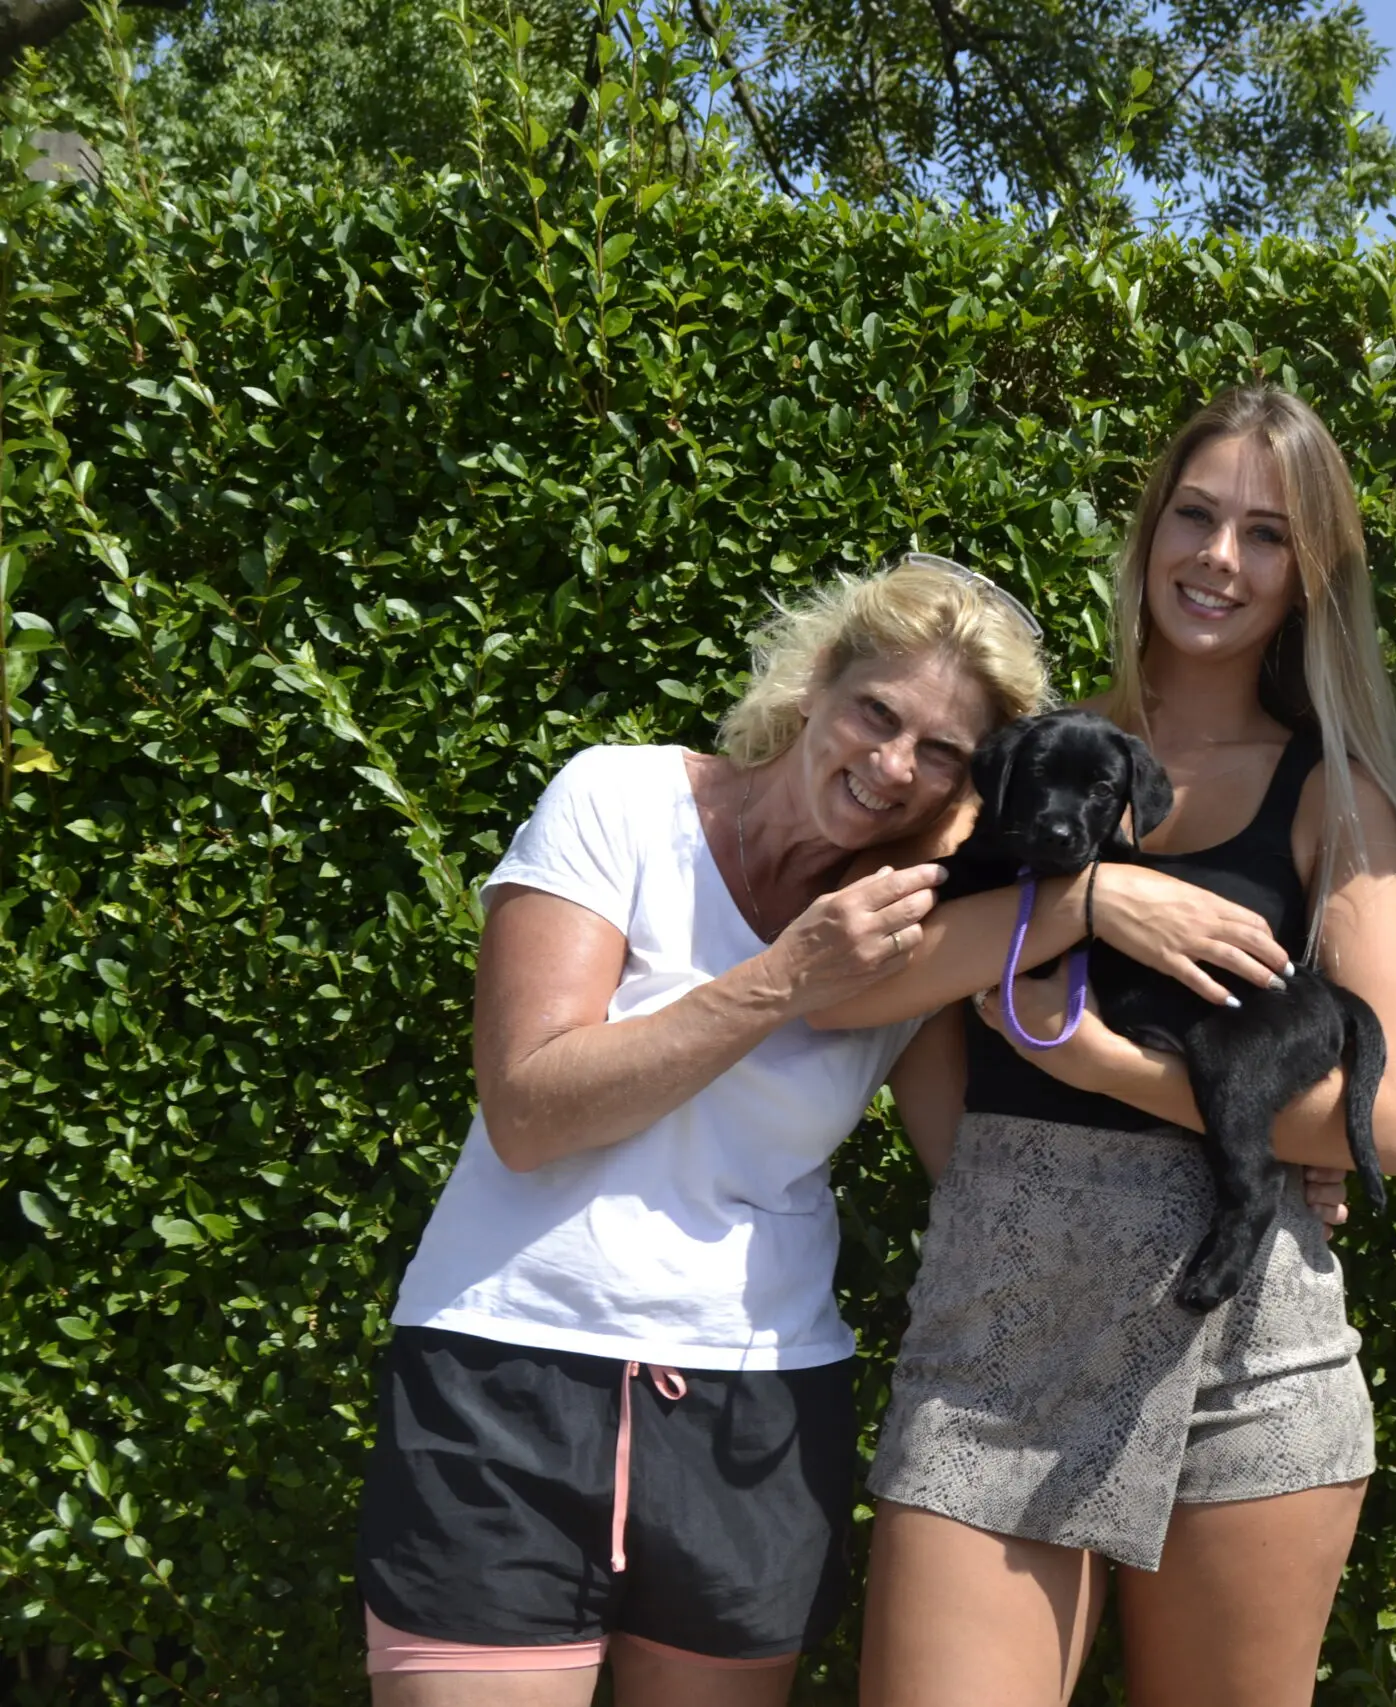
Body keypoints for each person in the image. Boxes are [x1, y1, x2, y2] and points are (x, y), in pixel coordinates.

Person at [355, 555, 1294, 1706]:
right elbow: (530, 1110)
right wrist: (789, 974)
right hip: (506, 1373)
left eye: (941, 753)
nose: (891, 764)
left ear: (974, 787)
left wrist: (1266, 1168)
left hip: (758, 1402)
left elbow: (984, 1163)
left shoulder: (924, 925)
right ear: (815, 686)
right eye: (875, 714)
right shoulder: (621, 801)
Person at [842, 388, 1396, 1707]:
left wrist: (1112, 1072)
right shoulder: (1024, 754)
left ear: (1310, 573)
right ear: (1149, 525)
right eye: (1196, 513)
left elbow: (1384, 1122)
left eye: (1267, 533)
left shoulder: (1333, 795)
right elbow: (884, 985)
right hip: (1003, 1332)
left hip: (1246, 1347)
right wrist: (1098, 900)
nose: (1220, 558)